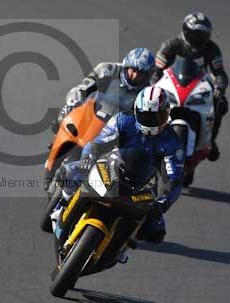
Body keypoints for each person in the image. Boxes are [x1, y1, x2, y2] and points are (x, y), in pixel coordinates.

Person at [53, 86, 184, 247]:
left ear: (167, 115)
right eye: (147, 116)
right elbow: (97, 144)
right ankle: (61, 207)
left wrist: (163, 203)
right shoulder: (123, 120)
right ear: (137, 111)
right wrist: (87, 161)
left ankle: (121, 247)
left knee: (155, 232)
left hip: (143, 184)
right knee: (68, 173)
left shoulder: (172, 142)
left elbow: (175, 179)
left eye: (158, 116)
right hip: (111, 166)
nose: (153, 121)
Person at [152, 13, 228, 161]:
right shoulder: (171, 45)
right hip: (171, 84)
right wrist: (152, 85)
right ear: (187, 32)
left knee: (221, 104)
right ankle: (143, 132)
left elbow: (219, 73)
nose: (201, 39)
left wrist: (220, 87)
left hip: (198, 85)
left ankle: (211, 140)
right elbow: (156, 71)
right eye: (198, 35)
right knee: (147, 100)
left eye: (205, 35)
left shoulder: (211, 48)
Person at [52, 47, 155, 133]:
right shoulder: (108, 70)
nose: (135, 76)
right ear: (127, 65)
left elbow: (143, 119)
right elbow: (83, 88)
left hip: (112, 131)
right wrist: (73, 103)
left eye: (141, 74)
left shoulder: (147, 93)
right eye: (133, 70)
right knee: (63, 117)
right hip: (88, 113)